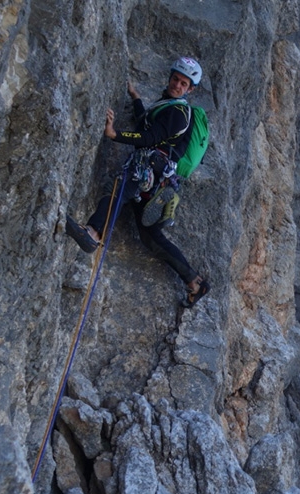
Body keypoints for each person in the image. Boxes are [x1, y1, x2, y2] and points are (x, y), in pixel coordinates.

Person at [65, 57, 210, 307]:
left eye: (183, 83)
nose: (177, 84)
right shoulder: (169, 106)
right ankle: (194, 281)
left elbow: (149, 136)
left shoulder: (178, 112)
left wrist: (115, 135)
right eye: (175, 78)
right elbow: (146, 123)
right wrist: (136, 99)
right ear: (171, 77)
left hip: (150, 164)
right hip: (159, 173)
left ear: (190, 89)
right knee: (150, 236)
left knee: (120, 191)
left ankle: (93, 231)